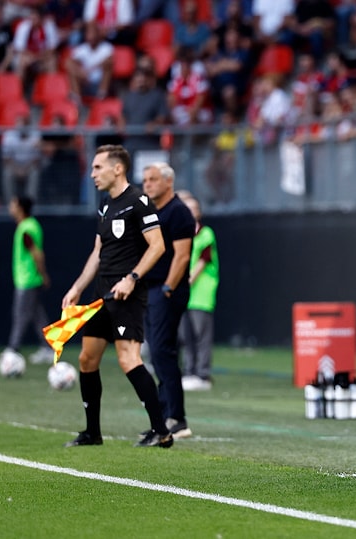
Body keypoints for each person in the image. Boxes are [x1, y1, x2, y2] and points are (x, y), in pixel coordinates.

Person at [61, 144, 172, 448]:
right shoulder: (105, 205)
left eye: (98, 168)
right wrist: (77, 287)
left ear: (117, 168)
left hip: (127, 294)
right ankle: (92, 433)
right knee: (87, 359)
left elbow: (158, 245)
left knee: (128, 359)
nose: (93, 173)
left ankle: (161, 430)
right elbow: (98, 251)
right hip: (101, 293)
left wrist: (132, 278)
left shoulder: (138, 201)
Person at [141, 162, 196, 439]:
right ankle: (163, 414)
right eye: (145, 180)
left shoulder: (178, 212)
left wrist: (167, 288)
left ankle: (177, 416)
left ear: (168, 182)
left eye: (152, 179)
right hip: (151, 290)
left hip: (166, 291)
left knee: (163, 351)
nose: (147, 184)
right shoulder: (153, 212)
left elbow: (183, 255)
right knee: (157, 352)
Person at [5, 195, 54, 364]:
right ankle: (48, 348)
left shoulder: (27, 228)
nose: (10, 208)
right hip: (27, 278)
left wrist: (43, 274)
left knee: (20, 315)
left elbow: (37, 254)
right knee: (37, 315)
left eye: (12, 204)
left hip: (27, 279)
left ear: (19, 207)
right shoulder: (29, 225)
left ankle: (12, 349)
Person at [180, 196, 219, 391]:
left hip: (200, 293)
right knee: (185, 336)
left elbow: (203, 260)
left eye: (194, 208)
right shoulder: (179, 233)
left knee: (201, 335)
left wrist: (186, 281)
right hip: (184, 295)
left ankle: (203, 374)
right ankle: (189, 372)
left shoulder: (205, 234)